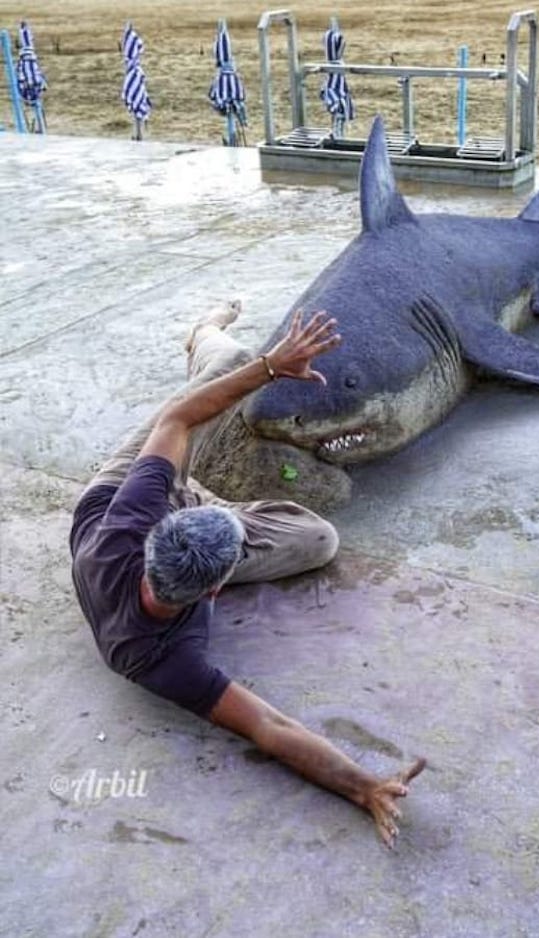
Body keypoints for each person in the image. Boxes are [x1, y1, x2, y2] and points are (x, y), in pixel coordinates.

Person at [69, 301, 425, 847]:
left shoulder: (125, 525)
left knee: (233, 360)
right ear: (217, 587)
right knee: (318, 539)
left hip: (116, 491)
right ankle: (208, 494)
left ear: (157, 535)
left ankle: (203, 333)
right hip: (161, 502)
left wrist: (272, 366)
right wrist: (364, 787)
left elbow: (176, 419)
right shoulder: (162, 661)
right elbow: (269, 727)